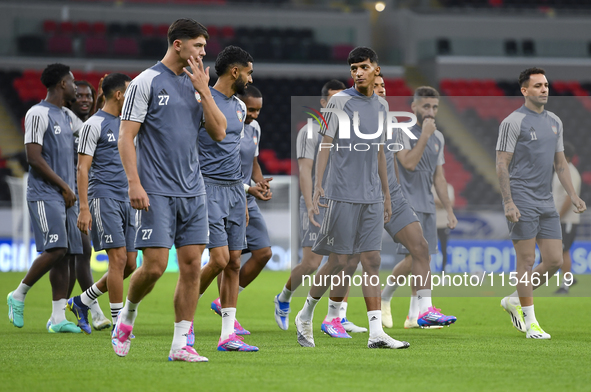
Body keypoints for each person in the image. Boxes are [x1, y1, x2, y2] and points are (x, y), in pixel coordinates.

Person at [115, 19, 227, 362]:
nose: (203, 52)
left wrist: (205, 91)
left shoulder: (198, 84)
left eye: (204, 47)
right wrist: (134, 183)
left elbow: (219, 132)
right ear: (178, 44)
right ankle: (127, 315)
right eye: (198, 45)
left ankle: (181, 345)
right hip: (155, 190)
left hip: (194, 190)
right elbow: (125, 137)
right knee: (154, 267)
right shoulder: (145, 82)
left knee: (193, 265)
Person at [294, 46, 408, 349]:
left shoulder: (382, 106)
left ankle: (376, 334)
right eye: (354, 68)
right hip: (341, 193)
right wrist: (319, 184)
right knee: (338, 261)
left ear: (377, 70)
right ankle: (305, 315)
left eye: (364, 67)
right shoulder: (339, 102)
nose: (358, 72)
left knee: (371, 260)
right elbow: (325, 144)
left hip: (371, 196)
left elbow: (382, 151)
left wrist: (386, 194)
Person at [497, 67, 586, 339]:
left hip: (546, 199)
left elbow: (560, 164)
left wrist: (572, 194)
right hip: (522, 198)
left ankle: (514, 299)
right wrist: (508, 201)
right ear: (524, 90)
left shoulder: (555, 121)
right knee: (526, 260)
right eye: (537, 86)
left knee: (555, 260)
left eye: (546, 85)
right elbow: (502, 163)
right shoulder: (512, 122)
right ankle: (531, 322)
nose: (544, 89)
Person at [274, 79, 367, 335]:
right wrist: (311, 204)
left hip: (344, 202)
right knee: (312, 263)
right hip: (317, 204)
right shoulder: (311, 131)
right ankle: (283, 297)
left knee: (345, 260)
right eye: (334, 101)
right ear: (324, 103)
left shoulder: (350, 132)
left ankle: (336, 317)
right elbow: (305, 171)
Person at [7, 63, 83, 333]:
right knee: (56, 250)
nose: (76, 86)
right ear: (62, 84)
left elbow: (89, 136)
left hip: (66, 196)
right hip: (45, 193)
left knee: (65, 256)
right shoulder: (38, 113)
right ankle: (18, 294)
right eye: (73, 82)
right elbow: (33, 157)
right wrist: (64, 185)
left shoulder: (66, 116)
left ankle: (58, 318)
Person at [192, 45, 258, 352]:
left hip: (234, 190)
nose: (250, 77)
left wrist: (243, 195)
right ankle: (186, 320)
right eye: (249, 71)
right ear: (235, 71)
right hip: (207, 188)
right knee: (217, 259)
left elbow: (234, 156)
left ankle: (227, 335)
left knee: (233, 262)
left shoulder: (241, 108)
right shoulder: (199, 101)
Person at [380, 86, 457, 329]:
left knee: (421, 259)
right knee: (415, 257)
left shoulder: (439, 137)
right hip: (405, 202)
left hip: (428, 205)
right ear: (413, 107)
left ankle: (414, 317)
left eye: (434, 107)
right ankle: (386, 296)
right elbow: (408, 163)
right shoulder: (402, 132)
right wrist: (424, 135)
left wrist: (449, 209)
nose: (430, 111)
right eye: (425, 106)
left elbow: (439, 177)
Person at [66, 73, 138, 335]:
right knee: (117, 260)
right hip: (103, 197)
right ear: (119, 94)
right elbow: (82, 169)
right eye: (130, 91)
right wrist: (84, 208)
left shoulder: (129, 124)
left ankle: (82, 301)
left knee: (131, 264)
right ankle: (118, 322)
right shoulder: (93, 125)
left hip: (128, 199)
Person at [208, 85, 274, 327]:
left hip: (247, 199)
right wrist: (248, 188)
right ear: (240, 106)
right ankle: (228, 313)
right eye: (251, 109)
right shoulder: (225, 124)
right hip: (226, 195)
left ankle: (224, 301)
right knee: (228, 260)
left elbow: (252, 162)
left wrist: (260, 181)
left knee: (264, 253)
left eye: (259, 110)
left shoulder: (254, 128)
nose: (255, 114)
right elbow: (225, 166)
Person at [67, 79, 111, 331]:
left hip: (85, 195)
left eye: (89, 96)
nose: (84, 99)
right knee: (74, 253)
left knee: (78, 253)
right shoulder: (65, 123)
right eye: (79, 95)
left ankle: (71, 309)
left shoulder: (96, 124)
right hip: (68, 196)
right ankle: (89, 310)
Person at [553, 142, 581, 294]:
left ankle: (566, 284)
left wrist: (557, 217)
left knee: (563, 251)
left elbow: (569, 198)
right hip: (560, 219)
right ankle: (568, 278)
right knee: (561, 251)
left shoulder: (571, 173)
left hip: (567, 219)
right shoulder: (560, 171)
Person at [433, 183, 454, 273]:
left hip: (444, 223)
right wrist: (444, 202)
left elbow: (451, 203)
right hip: (431, 222)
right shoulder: (429, 187)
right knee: (425, 248)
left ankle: (443, 271)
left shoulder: (448, 188)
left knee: (444, 249)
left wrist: (436, 201)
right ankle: (426, 271)